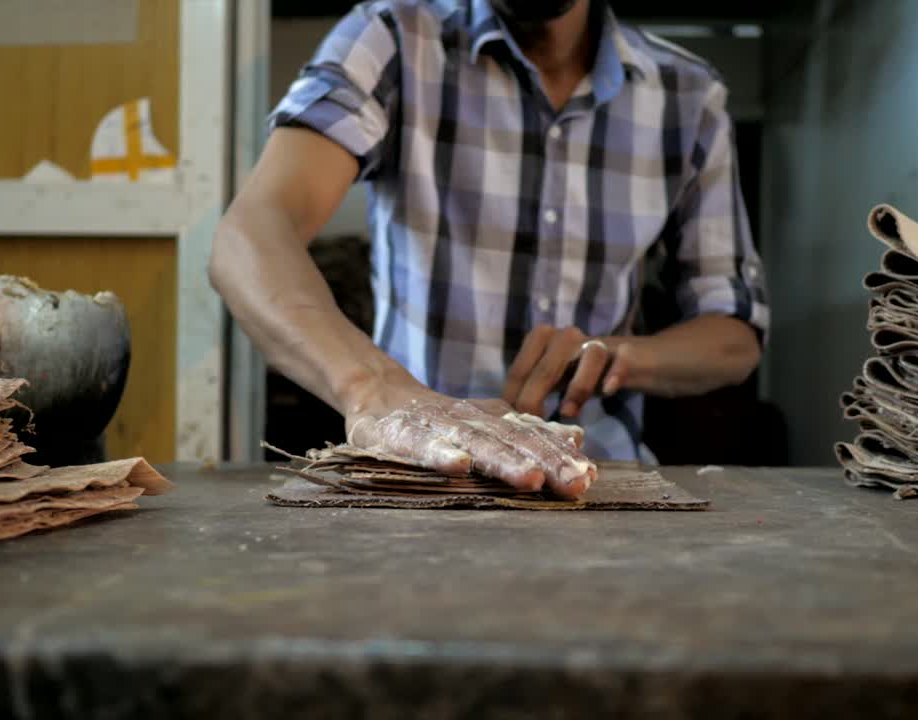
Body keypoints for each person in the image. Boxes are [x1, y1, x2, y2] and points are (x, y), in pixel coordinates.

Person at [209, 0, 768, 496]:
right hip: (421, 482)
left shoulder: (690, 95)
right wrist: (376, 390)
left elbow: (734, 333)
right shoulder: (394, 37)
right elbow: (251, 234)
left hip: (603, 486)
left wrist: (621, 358)